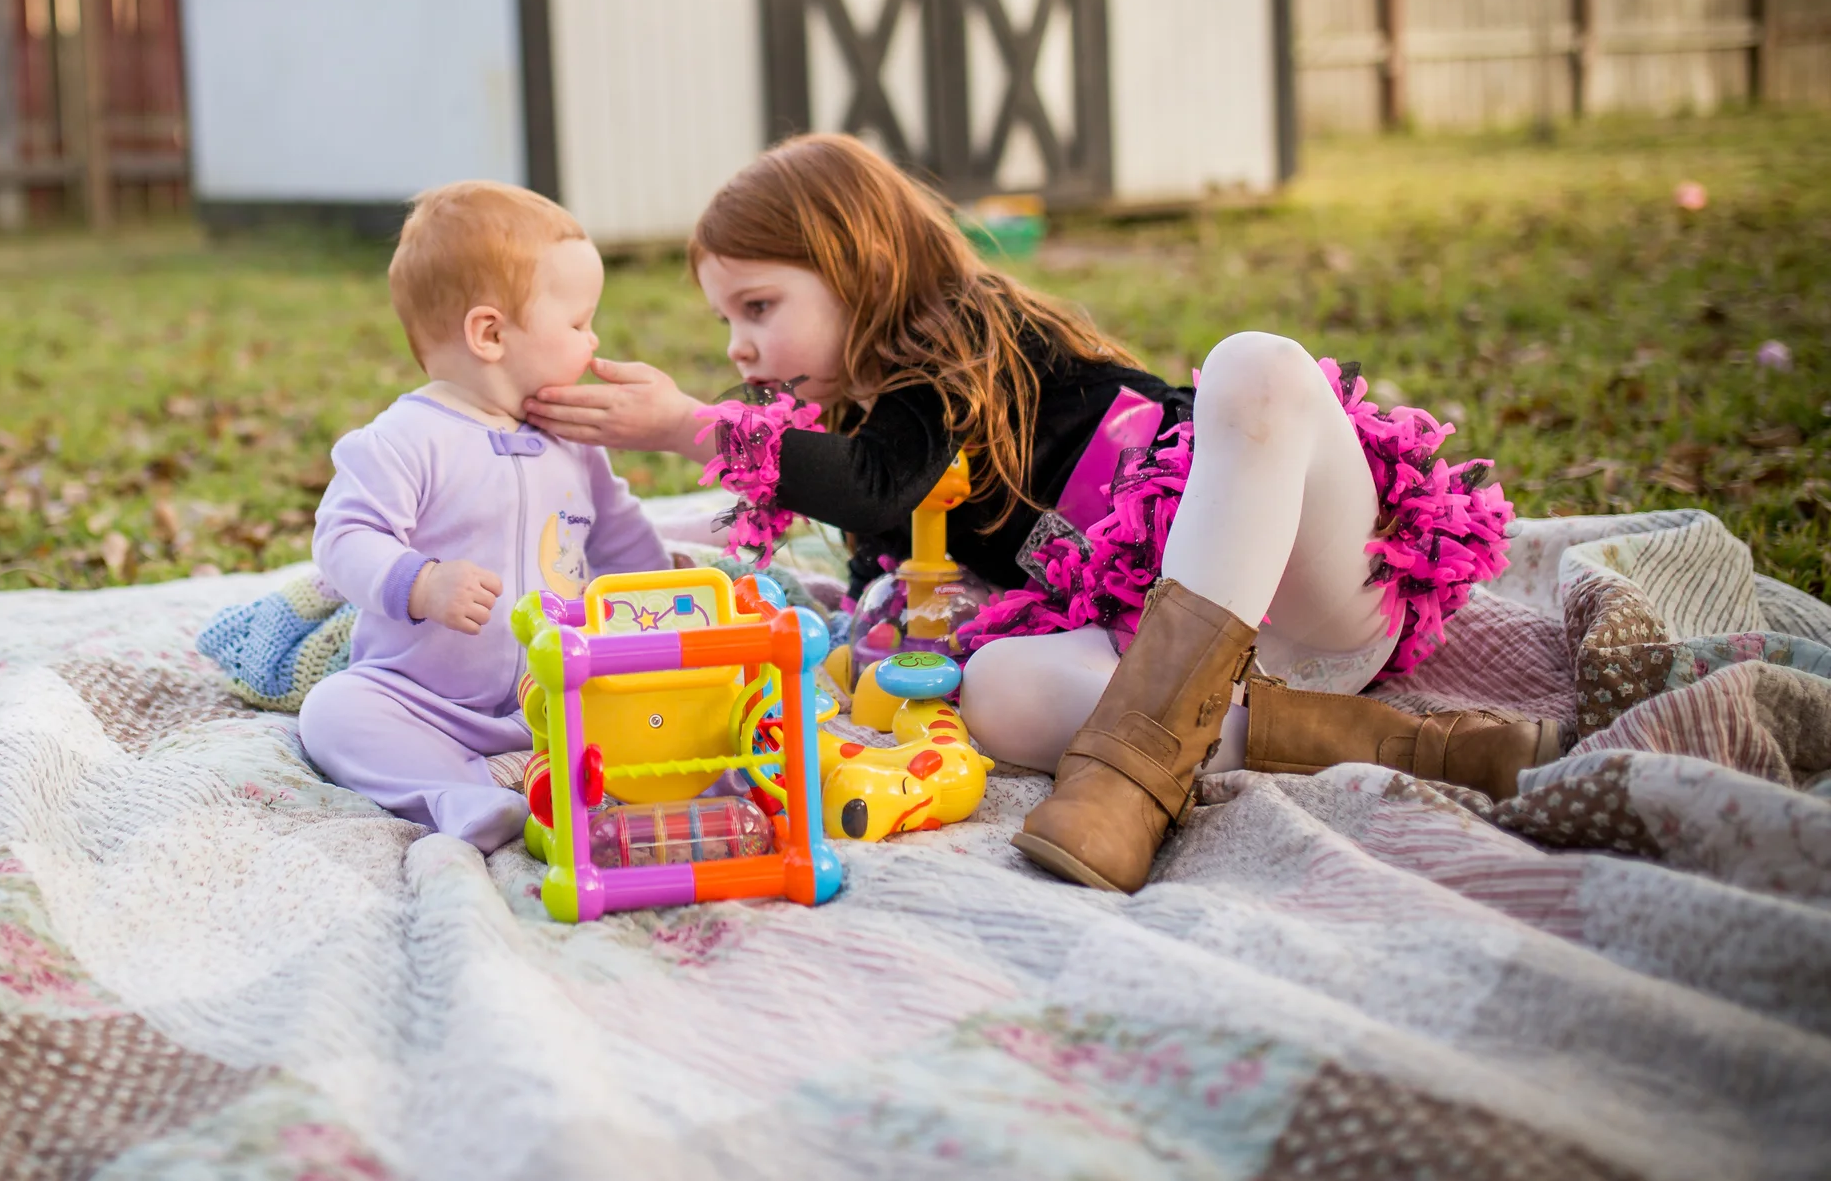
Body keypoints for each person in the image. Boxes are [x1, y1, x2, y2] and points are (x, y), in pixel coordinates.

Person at [524, 135, 1555, 895]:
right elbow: (868, 512)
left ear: (859, 263)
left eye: (758, 306)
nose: (740, 348)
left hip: (1312, 582)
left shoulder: (961, 339)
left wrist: (696, 428)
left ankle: (1128, 782)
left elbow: (879, 475)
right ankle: (1395, 744)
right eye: (724, 321)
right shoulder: (863, 420)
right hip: (1202, 675)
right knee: (994, 684)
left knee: (1256, 363)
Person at [301, 181, 669, 852]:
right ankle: (460, 794)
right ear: (491, 332)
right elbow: (344, 536)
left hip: (565, 691)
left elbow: (621, 537)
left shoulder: (572, 439)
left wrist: (672, 606)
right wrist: (422, 582)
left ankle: (644, 778)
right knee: (333, 712)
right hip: (427, 699)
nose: (593, 341)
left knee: (663, 703)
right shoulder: (407, 437)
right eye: (580, 322)